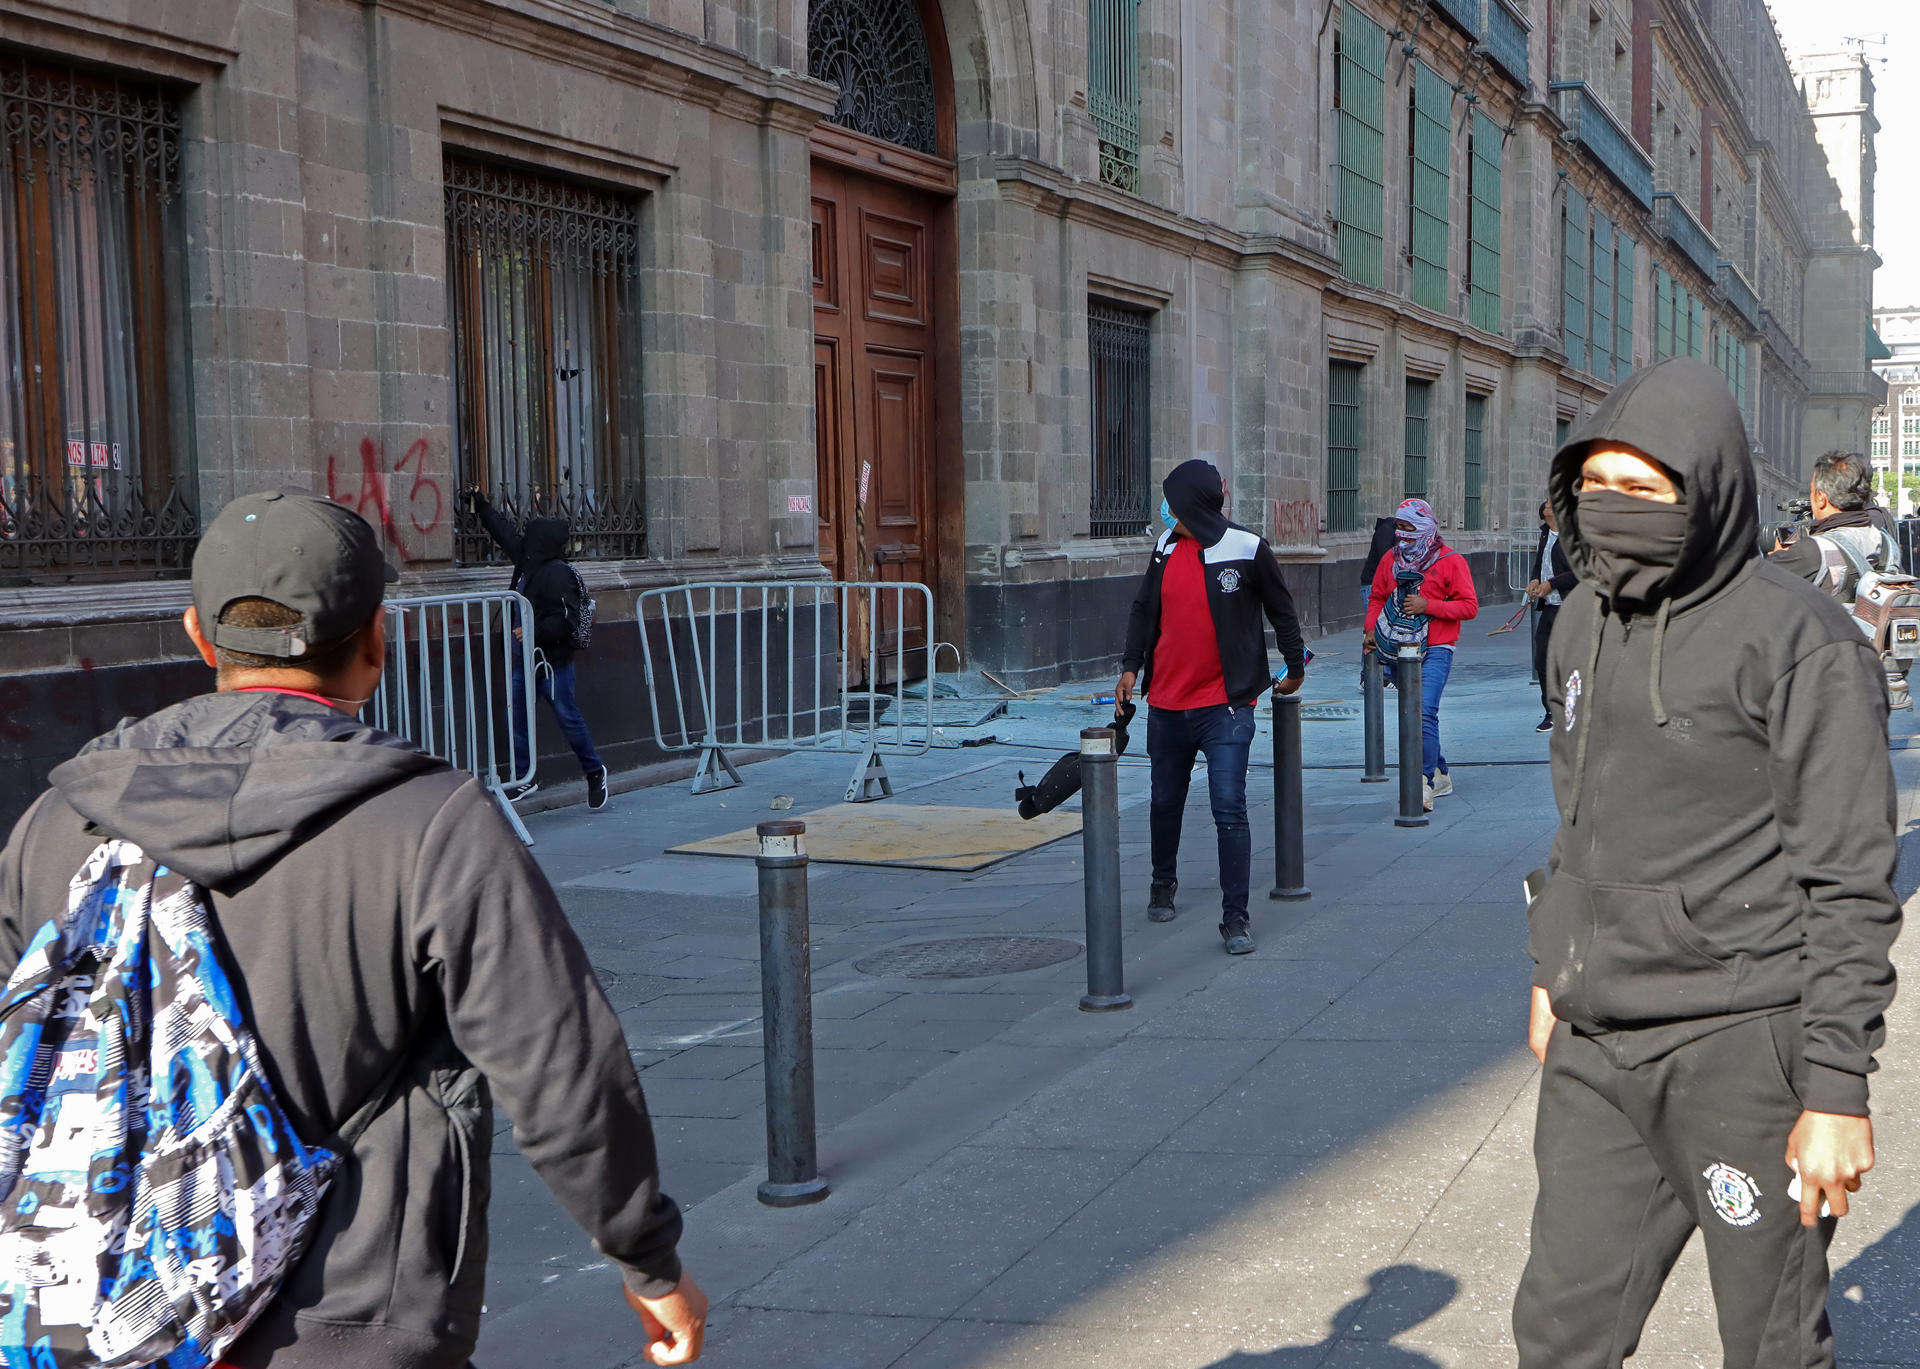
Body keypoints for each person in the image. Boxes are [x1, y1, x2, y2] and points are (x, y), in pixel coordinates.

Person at [0, 491, 705, 1368]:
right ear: (377, 639)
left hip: (103, 1314)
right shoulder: (429, 823)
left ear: (196, 633)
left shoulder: (54, 823)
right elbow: (562, 1067)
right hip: (356, 1318)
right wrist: (648, 1261)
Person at [1514, 359, 1899, 1369]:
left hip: (1743, 1047)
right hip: (1599, 1050)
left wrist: (1836, 1091)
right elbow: (1580, 809)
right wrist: (1554, 960)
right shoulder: (1579, 622)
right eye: (1595, 486)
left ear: (1711, 491)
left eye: (1643, 491)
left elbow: (1852, 880)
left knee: (1769, 1343)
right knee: (1560, 1332)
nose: (1611, 510)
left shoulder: (1800, 641)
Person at [1116, 459, 1307, 956]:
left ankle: (1235, 918)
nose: (1166, 513)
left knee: (1229, 808)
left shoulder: (1246, 548)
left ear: (1194, 506)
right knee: (1164, 802)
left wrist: (1294, 667)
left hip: (1225, 705)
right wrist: (1130, 667)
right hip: (1166, 704)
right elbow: (1142, 610)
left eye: (1172, 504)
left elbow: (1281, 608)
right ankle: (1163, 883)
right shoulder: (1164, 547)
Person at [468, 490, 609, 809]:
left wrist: (532, 630)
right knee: (517, 716)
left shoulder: (557, 573)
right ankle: (523, 777)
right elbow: (507, 536)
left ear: (542, 542)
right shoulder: (530, 560)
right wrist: (484, 507)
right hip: (523, 659)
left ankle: (594, 770)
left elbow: (566, 621)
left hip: (551, 661)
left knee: (568, 717)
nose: (525, 540)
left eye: (531, 536)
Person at [1363, 498, 1479, 809]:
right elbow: (1376, 597)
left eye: (1409, 528)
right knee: (1416, 712)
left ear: (1426, 528)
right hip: (1399, 647)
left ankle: (1422, 781)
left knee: (1423, 711)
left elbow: (1469, 606)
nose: (1402, 535)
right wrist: (1370, 629)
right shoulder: (1390, 559)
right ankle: (1439, 770)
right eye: (1398, 527)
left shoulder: (1451, 562)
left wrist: (1430, 606)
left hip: (1438, 647)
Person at [1767, 450, 1901, 603]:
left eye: (1812, 492)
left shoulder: (1814, 550)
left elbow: (1760, 588)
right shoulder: (1885, 542)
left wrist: (1779, 557)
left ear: (1821, 498)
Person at [1526, 498, 1577, 732]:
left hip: (1571, 607)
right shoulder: (1546, 533)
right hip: (1549, 607)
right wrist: (1536, 580)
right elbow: (1541, 562)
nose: (1547, 504)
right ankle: (1551, 711)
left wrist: (1552, 584)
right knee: (1542, 660)